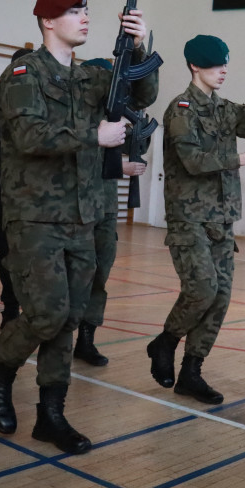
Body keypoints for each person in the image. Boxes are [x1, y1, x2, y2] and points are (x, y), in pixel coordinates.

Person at [0, 0, 157, 454]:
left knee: (69, 319)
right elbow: (28, 134)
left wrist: (137, 47)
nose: (85, 17)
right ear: (47, 21)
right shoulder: (22, 73)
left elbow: (140, 96)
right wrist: (92, 133)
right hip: (34, 216)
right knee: (46, 314)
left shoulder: (89, 77)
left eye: (87, 10)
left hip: (83, 215)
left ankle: (50, 415)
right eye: (75, 11)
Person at [146, 35, 245, 405]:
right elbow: (193, 163)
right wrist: (243, 160)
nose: (222, 70)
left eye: (225, 64)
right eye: (214, 65)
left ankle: (192, 371)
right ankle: (165, 342)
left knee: (219, 299)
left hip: (222, 219)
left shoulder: (225, 109)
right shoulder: (181, 110)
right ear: (194, 66)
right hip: (189, 218)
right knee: (202, 290)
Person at [73, 57, 148, 367]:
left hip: (105, 206)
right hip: (76, 205)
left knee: (101, 273)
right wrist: (119, 163)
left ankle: (87, 339)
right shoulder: (76, 113)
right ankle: (58, 339)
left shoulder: (114, 116)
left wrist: (137, 126)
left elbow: (133, 146)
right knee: (71, 277)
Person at [0, 47, 32, 330]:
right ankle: (10, 307)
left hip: (32, 198)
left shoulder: (37, 107)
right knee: (7, 254)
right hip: (2, 195)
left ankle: (28, 308)